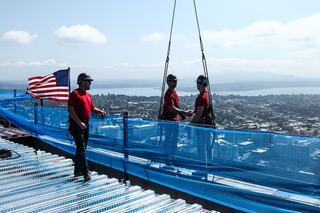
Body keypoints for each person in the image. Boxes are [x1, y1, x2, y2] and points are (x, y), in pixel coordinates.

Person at [68, 73, 106, 182]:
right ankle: (85, 173)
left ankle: (77, 171)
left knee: (81, 149)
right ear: (82, 81)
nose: (90, 83)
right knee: (81, 149)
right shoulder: (75, 94)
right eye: (88, 81)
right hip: (76, 125)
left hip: (85, 125)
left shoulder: (88, 95)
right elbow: (70, 110)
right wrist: (79, 123)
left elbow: (92, 108)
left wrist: (100, 111)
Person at [160, 74, 190, 164]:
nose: (175, 82)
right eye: (173, 81)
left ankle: (172, 158)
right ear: (169, 82)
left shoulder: (174, 93)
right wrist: (182, 112)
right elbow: (171, 108)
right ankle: (168, 160)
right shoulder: (168, 94)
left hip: (174, 121)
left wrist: (181, 115)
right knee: (169, 141)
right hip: (169, 121)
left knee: (174, 140)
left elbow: (176, 106)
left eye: (176, 81)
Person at [190, 75, 215, 163]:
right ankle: (208, 164)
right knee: (207, 146)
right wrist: (193, 111)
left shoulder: (202, 97)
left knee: (201, 147)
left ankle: (202, 167)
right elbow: (201, 110)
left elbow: (199, 114)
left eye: (197, 83)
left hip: (202, 126)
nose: (196, 85)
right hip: (207, 125)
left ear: (200, 84)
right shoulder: (207, 94)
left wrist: (190, 124)